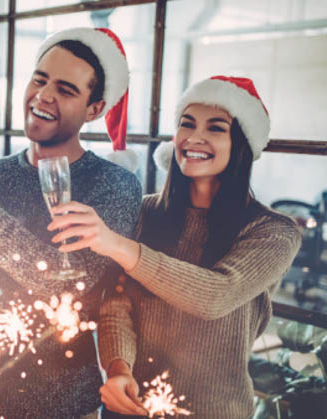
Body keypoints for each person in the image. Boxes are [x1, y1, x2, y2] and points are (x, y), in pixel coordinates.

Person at [46, 76, 301, 419]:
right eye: (187, 124)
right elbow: (117, 306)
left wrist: (116, 245)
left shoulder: (274, 231)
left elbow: (215, 296)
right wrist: (119, 369)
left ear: (240, 145)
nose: (195, 137)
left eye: (216, 128)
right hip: (130, 408)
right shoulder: (146, 211)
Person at [0, 28, 142, 418]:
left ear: (94, 110)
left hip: (65, 406)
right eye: (39, 79)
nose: (44, 95)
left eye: (65, 89)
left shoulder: (115, 185)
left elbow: (72, 285)